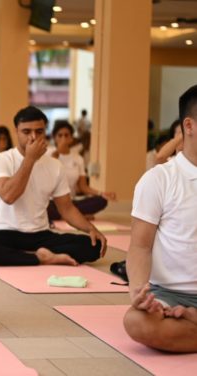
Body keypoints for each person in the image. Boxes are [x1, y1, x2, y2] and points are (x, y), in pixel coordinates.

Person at [0, 106, 107, 266]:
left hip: (40, 235)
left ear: (45, 132)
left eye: (39, 131)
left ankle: (26, 256)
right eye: (26, 132)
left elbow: (67, 209)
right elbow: (9, 196)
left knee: (94, 245)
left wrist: (91, 229)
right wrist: (30, 159)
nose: (33, 137)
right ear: (16, 131)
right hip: (5, 232)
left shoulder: (55, 165)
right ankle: (41, 258)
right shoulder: (1, 159)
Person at [123, 85, 197, 353]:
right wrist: (138, 292)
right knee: (136, 322)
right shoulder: (159, 179)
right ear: (189, 126)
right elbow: (140, 246)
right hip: (168, 294)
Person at [47, 121, 116, 220]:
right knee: (44, 207)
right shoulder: (47, 153)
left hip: (70, 202)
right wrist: (56, 154)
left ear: (71, 138)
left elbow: (83, 186)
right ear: (55, 138)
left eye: (66, 135)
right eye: (60, 135)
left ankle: (68, 215)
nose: (63, 138)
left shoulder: (78, 158)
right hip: (52, 201)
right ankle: (74, 216)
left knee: (102, 200)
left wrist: (102, 193)